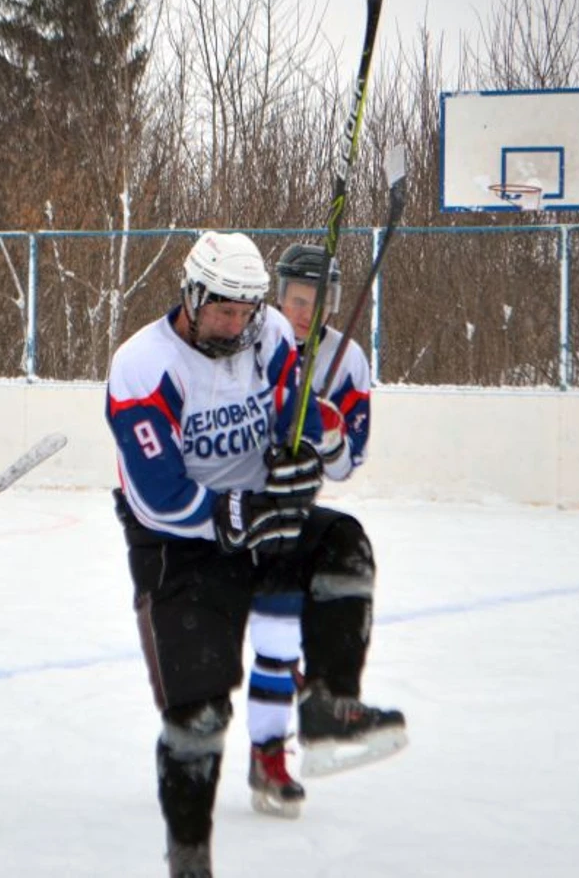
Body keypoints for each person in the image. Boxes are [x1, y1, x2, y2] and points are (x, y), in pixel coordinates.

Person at [106, 231, 406, 877]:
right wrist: (235, 513)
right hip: (178, 547)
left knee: (343, 543)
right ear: (191, 295)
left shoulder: (268, 332)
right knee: (200, 713)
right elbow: (159, 496)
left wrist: (298, 455)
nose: (236, 323)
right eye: (222, 311)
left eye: (246, 310)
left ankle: (328, 704)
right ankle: (189, 857)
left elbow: (288, 414)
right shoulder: (143, 365)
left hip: (256, 517)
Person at [244, 243, 377, 819]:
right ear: (279, 297)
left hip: (295, 516)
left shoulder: (347, 362)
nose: (304, 314)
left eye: (316, 303)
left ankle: (290, 734)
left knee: (282, 634)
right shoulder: (254, 342)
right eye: (297, 300)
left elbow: (348, 463)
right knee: (266, 640)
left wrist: (327, 430)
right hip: (236, 510)